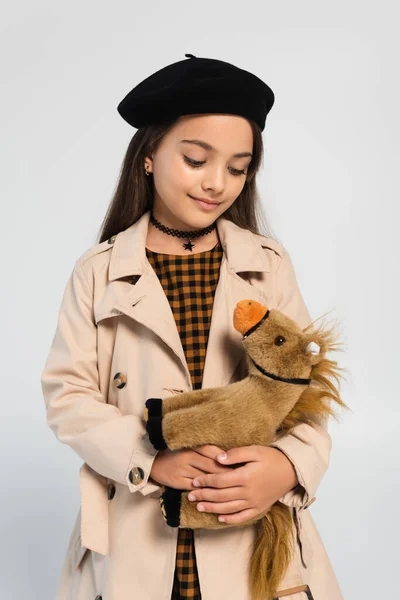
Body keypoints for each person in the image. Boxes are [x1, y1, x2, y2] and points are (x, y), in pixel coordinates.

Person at [40, 54, 344, 600]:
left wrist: (285, 466)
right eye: (196, 159)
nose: (217, 183)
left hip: (251, 529)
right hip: (138, 534)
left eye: (237, 166)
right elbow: (68, 396)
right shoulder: (98, 271)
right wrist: (151, 457)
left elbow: (306, 393)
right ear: (150, 156)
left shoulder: (268, 264)